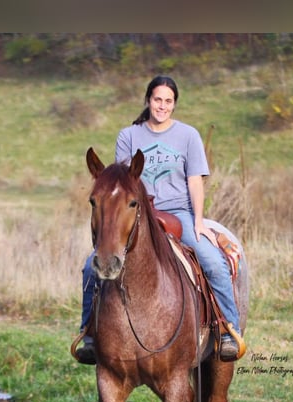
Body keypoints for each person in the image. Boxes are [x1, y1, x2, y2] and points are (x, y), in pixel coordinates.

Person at [76, 75, 243, 364]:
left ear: (174, 104)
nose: (162, 106)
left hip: (179, 212)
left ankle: (228, 330)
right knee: (91, 268)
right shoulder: (129, 136)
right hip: (140, 213)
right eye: (157, 100)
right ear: (148, 100)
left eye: (168, 101)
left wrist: (199, 222)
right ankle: (88, 334)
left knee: (214, 263)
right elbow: (122, 185)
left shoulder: (188, 135)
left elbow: (195, 182)